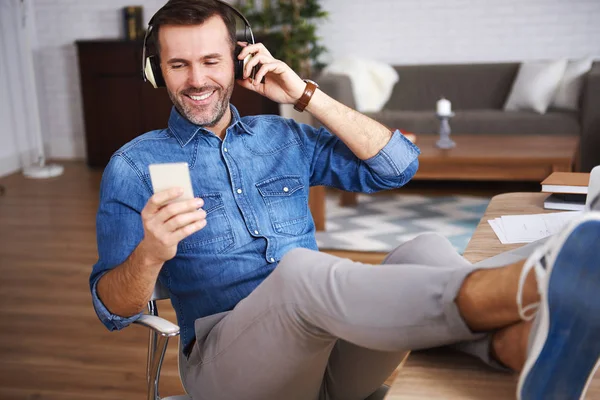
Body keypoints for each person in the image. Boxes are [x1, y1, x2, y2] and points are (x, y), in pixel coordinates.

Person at [89, 1, 600, 399]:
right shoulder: (134, 166)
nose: (197, 80)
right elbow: (112, 309)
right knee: (301, 273)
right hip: (232, 371)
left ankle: (518, 349)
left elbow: (397, 166)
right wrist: (151, 252)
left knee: (420, 249)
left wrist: (304, 95)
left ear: (241, 59)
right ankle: (531, 278)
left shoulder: (282, 137)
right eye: (179, 65)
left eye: (210, 61)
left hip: (327, 360)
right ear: (157, 71)